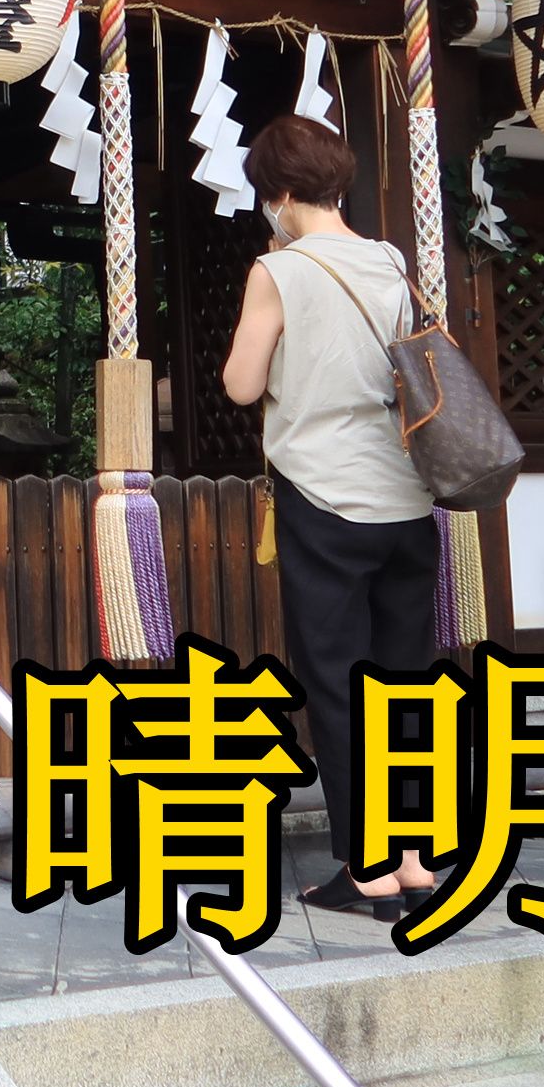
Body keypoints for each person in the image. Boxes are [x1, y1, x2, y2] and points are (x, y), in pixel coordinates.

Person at [217, 111, 438, 921]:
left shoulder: (279, 271)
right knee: (403, 685)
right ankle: (413, 857)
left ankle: (367, 871)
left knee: (341, 688)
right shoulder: (388, 260)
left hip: (326, 498)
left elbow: (243, 385)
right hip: (408, 503)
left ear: (276, 192)